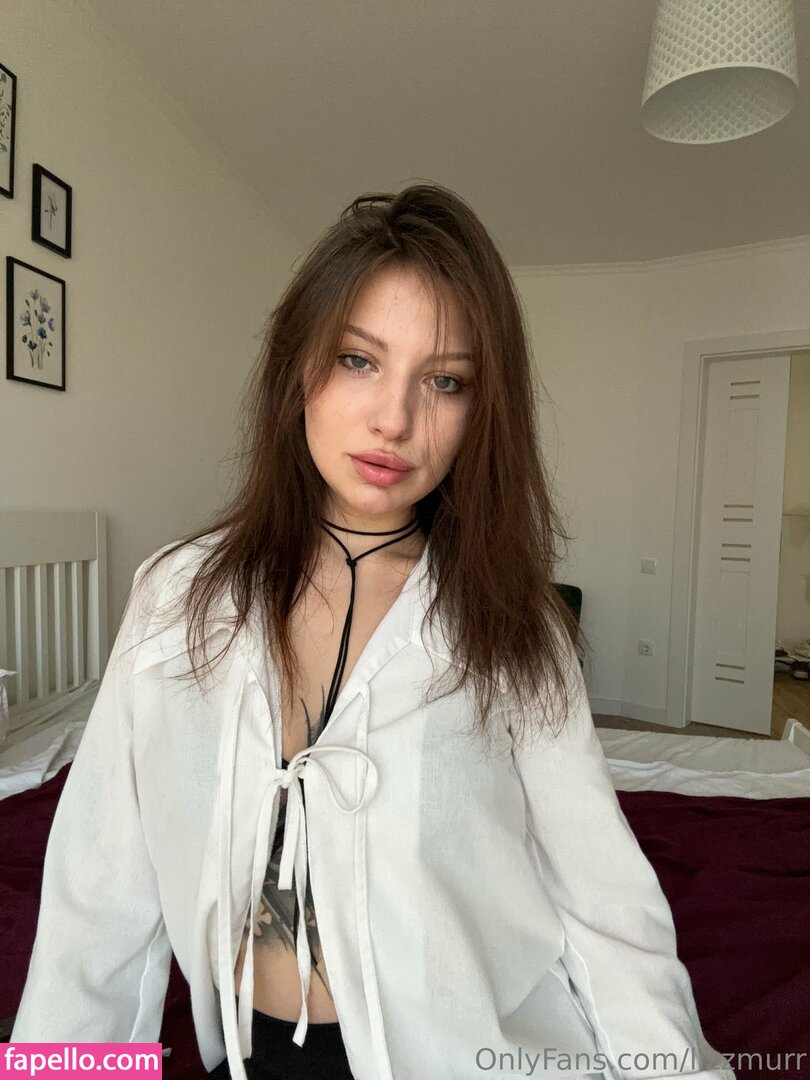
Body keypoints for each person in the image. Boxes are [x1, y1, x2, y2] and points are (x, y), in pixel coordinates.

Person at [12, 183, 735, 1080]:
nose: (395, 419)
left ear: (481, 412)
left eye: (445, 381)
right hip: (251, 1054)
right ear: (299, 369)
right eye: (359, 360)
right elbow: (95, 904)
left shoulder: (514, 626)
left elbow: (604, 903)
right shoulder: (176, 597)